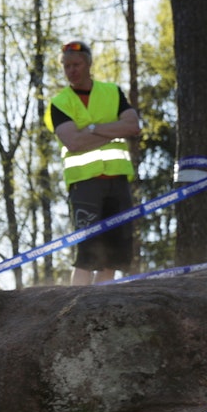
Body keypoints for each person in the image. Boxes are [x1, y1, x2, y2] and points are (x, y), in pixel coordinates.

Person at [45, 40, 141, 285]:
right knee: (87, 253)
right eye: (66, 66)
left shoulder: (112, 92)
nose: (71, 70)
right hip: (84, 185)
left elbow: (132, 126)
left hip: (118, 182)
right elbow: (73, 143)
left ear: (88, 64)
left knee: (115, 253)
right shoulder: (59, 104)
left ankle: (103, 302)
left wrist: (92, 129)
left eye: (76, 64)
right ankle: (76, 303)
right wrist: (112, 131)